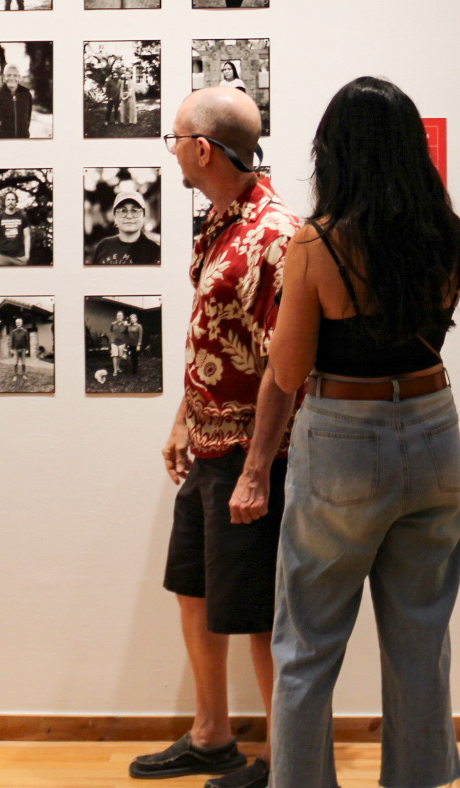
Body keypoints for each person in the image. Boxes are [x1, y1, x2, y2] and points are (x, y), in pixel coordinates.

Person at [267, 76, 460, 788]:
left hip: (344, 442)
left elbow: (290, 369)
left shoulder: (318, 243)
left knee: (306, 649)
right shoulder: (445, 237)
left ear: (336, 153)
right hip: (434, 430)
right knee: (422, 643)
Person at [135, 86, 301, 788]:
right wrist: (183, 416)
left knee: (259, 611)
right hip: (207, 447)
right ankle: (212, 734)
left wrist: (257, 468)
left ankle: (285, 760)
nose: (171, 149)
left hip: (247, 456)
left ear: (202, 149)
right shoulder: (219, 224)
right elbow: (215, 336)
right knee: (195, 590)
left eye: (174, 138)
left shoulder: (275, 234)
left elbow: (283, 365)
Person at [92, 182, 161, 265]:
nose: (129, 216)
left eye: (135, 210)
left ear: (143, 216)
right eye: (123, 211)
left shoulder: (155, 252)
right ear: (115, 217)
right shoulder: (103, 247)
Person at [0, 64, 35, 139]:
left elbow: (28, 117)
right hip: (4, 139)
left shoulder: (26, 94)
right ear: (4, 77)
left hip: (23, 138)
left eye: (15, 75)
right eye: (8, 75)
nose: (12, 78)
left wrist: (25, 132)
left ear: (19, 77)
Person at [0, 190, 30, 266]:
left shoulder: (23, 217)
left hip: (20, 257)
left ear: (16, 202)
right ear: (5, 202)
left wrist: (27, 255)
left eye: (13, 200)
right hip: (3, 257)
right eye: (8, 200)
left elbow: (27, 236)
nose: (10, 202)